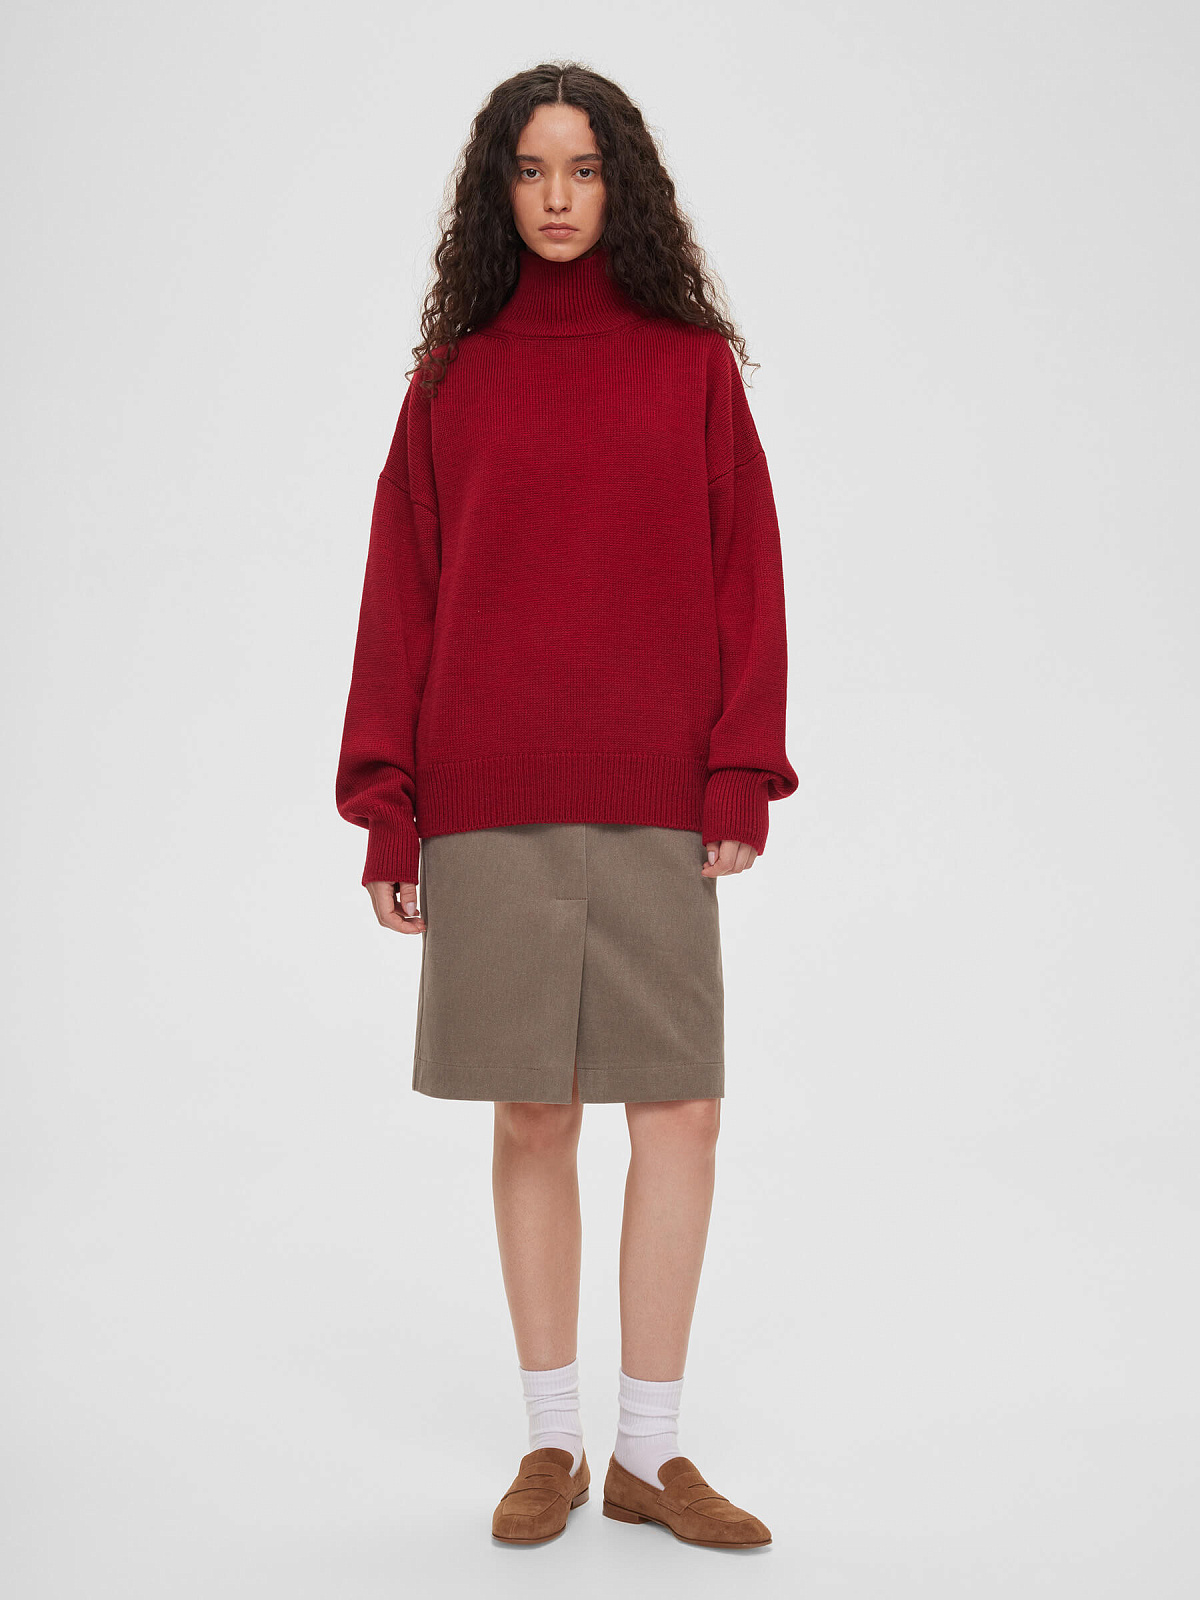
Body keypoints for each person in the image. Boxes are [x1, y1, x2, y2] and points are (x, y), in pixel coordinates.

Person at [336, 62, 797, 1550]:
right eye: (531, 170)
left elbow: (747, 572)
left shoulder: (691, 367)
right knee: (533, 1112)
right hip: (487, 791)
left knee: (681, 1112)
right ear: (497, 189)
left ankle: (650, 1454)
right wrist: (386, 804)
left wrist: (738, 766)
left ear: (621, 186)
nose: (555, 197)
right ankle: (552, 1443)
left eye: (583, 169)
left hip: (657, 789)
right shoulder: (452, 380)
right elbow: (401, 596)